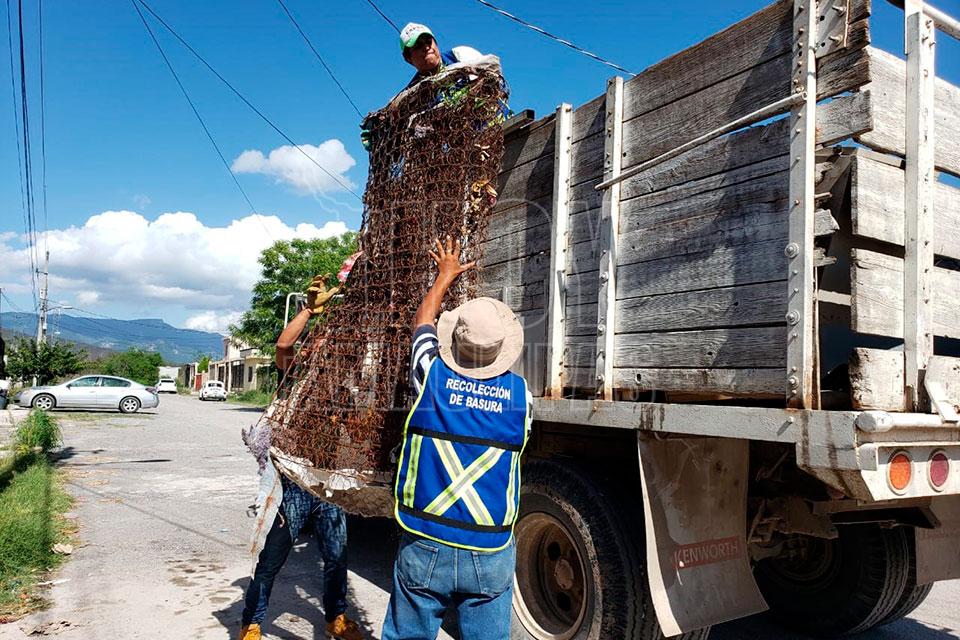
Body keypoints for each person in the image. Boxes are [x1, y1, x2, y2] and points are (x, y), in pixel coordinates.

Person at [381, 236, 532, 640]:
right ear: (502, 350)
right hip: (489, 548)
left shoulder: (429, 375)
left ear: (454, 344)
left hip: (425, 540)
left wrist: (444, 275)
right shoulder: (523, 398)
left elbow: (423, 323)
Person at [239, 274, 363, 640]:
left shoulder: (345, 391)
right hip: (294, 482)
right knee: (271, 559)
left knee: (337, 558)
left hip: (330, 485)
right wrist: (309, 310)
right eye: (323, 346)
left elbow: (355, 433)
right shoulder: (296, 377)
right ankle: (251, 623)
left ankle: (335, 619)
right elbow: (283, 344)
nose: (330, 352)